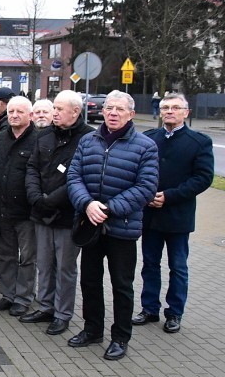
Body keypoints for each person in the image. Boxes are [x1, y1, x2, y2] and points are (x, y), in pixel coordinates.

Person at [67, 90, 158, 361]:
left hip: (123, 228)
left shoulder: (145, 146)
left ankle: (120, 337)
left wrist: (108, 208)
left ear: (131, 114)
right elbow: (74, 176)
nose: (113, 113)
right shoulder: (88, 140)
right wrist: (87, 204)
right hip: (90, 223)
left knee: (121, 285)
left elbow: (146, 187)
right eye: (109, 108)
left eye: (120, 109)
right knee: (90, 281)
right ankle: (92, 329)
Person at [133, 93, 214, 334]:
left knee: (178, 267)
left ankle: (174, 312)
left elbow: (203, 178)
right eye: (166, 107)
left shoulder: (199, 141)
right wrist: (146, 194)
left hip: (178, 215)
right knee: (150, 264)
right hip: (150, 215)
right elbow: (138, 170)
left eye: (176, 108)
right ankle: (149, 308)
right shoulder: (149, 139)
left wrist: (169, 196)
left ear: (185, 113)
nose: (169, 111)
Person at [20, 90, 94, 335]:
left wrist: (50, 200)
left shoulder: (88, 139)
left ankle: (62, 313)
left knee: (65, 267)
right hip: (40, 211)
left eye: (60, 109)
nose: (55, 113)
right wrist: (34, 196)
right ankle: (45, 306)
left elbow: (80, 176)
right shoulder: (45, 136)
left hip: (67, 214)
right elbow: (32, 167)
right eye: (55, 108)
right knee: (44, 263)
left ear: (76, 111)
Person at [0, 96, 37, 317]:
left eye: (19, 111)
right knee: (5, 255)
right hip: (2, 208)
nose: (14, 115)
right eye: (11, 112)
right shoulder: (0, 137)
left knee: (27, 257)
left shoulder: (38, 139)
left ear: (30, 115)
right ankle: (8, 295)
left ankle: (23, 297)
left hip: (27, 211)